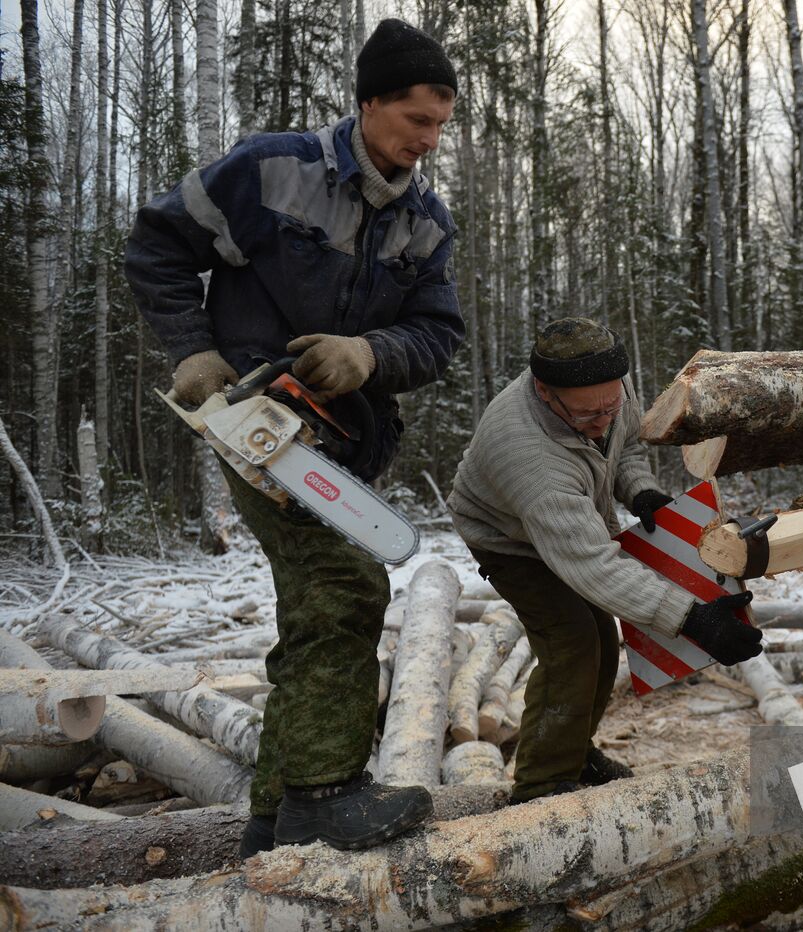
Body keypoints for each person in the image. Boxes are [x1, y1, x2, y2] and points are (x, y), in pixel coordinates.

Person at [124, 18, 465, 856]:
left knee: (319, 604)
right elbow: (157, 243)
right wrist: (194, 351)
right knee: (345, 588)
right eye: (416, 119)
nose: (428, 140)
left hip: (346, 435)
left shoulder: (425, 220)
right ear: (370, 101)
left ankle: (274, 818)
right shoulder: (273, 169)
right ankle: (320, 795)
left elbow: (438, 335)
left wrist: (369, 353)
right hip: (255, 416)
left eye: (441, 125)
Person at [447, 317, 763, 804]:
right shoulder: (526, 454)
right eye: (586, 416)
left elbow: (627, 442)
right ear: (544, 392)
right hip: (507, 539)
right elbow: (594, 566)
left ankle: (573, 750)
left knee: (600, 637)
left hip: (569, 520)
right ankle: (542, 784)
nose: (601, 420)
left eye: (610, 407)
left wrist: (639, 492)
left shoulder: (603, 390)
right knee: (572, 641)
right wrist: (694, 619)